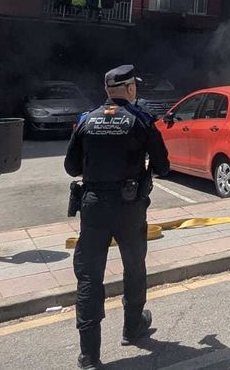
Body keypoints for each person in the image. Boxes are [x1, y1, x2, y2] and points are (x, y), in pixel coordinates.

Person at [65, 65, 170, 369]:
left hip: (94, 206)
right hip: (129, 206)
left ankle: (89, 354)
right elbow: (163, 166)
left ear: (107, 91)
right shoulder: (141, 121)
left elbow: (71, 168)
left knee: (89, 275)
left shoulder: (86, 120)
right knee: (134, 266)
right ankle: (132, 327)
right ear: (130, 89)